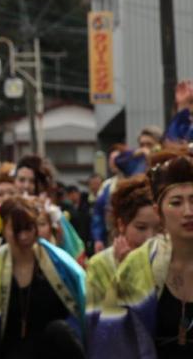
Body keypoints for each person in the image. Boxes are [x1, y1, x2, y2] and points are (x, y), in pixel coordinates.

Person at [0, 195, 86, 358]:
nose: (24, 236)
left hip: (51, 352)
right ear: (3, 229)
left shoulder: (59, 263)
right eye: (17, 230)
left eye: (28, 228)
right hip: (9, 352)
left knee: (60, 330)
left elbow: (81, 306)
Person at [94, 149, 193, 357]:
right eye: (176, 202)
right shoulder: (139, 265)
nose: (188, 212)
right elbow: (116, 341)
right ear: (159, 211)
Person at [84, 175, 158, 315]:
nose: (150, 238)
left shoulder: (170, 258)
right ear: (121, 225)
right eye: (141, 228)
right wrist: (126, 272)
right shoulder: (100, 265)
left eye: (159, 229)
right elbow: (97, 321)